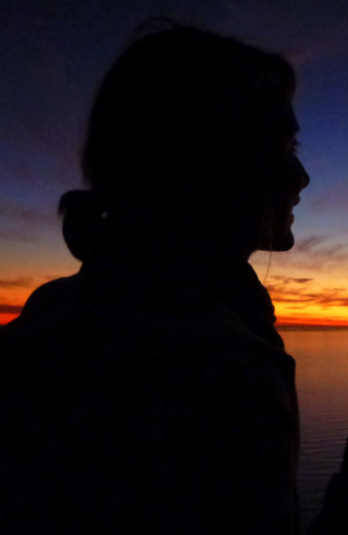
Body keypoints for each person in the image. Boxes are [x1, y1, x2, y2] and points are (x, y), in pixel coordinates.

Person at [0, 25, 309, 534]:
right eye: (281, 145)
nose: (301, 177)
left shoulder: (54, 319)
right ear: (211, 160)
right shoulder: (221, 369)